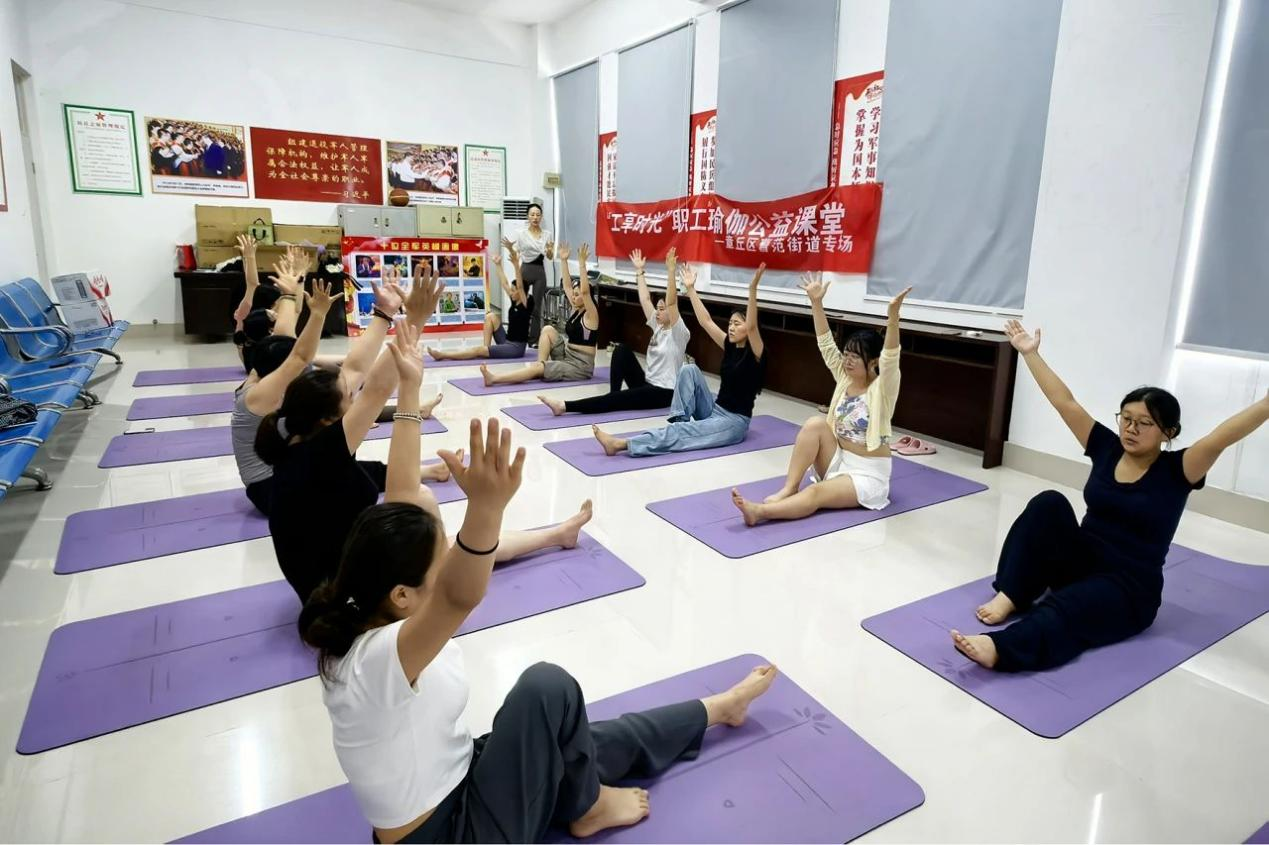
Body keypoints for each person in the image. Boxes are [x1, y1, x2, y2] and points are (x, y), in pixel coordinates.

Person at [298, 410, 780, 844]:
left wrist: (408, 390)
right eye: (440, 560)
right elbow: (458, 595)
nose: (451, 561)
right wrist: (487, 508)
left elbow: (403, 494)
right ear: (402, 594)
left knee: (581, 741)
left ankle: (717, 710)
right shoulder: (377, 661)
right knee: (547, 689)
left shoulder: (372, 612)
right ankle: (589, 807)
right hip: (451, 832)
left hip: (460, 778)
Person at [951, 320, 1269, 672]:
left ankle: (1002, 648)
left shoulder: (1179, 469)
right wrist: (1030, 354)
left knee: (1066, 609)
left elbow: (1223, 436)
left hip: (1128, 588)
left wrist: (1267, 404)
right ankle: (1012, 593)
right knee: (1049, 503)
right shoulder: (1106, 447)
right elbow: (1065, 402)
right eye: (1126, 418)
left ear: (1168, 432)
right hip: (1081, 563)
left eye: (1144, 423)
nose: (1131, 429)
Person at [231, 264, 444, 517]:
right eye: (349, 399)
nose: (352, 399)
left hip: (291, 477)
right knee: (388, 484)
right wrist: (416, 319)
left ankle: (429, 471)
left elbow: (354, 370)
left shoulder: (281, 381)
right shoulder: (257, 400)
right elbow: (373, 389)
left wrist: (384, 313)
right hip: (267, 489)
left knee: (364, 469)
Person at [731, 276, 910, 525]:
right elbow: (826, 344)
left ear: (872, 362)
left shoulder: (883, 389)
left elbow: (891, 358)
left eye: (854, 357)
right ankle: (790, 488)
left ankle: (759, 512)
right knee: (815, 424)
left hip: (867, 474)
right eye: (846, 354)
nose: (847, 361)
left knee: (815, 492)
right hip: (840, 459)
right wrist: (816, 303)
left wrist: (893, 319)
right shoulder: (845, 378)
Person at [592, 263, 768, 458]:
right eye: (730, 323)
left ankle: (621, 444)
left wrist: (752, 290)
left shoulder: (757, 354)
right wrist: (691, 288)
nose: (731, 327)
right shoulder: (730, 345)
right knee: (688, 369)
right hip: (714, 410)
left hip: (733, 422)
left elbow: (752, 327)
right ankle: (678, 422)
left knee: (684, 431)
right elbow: (706, 321)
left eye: (737, 324)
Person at [537, 248, 689, 418]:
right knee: (621, 350)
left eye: (662, 309)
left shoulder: (679, 332)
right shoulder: (658, 325)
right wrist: (639, 271)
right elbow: (645, 299)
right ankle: (613, 394)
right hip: (646, 383)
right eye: (658, 308)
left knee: (620, 399)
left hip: (663, 393)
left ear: (672, 313)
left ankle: (564, 406)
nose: (657, 312)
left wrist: (671, 271)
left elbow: (672, 302)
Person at [479, 243, 597, 387]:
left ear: (586, 298)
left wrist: (582, 264)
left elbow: (585, 292)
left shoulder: (591, 315)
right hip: (567, 354)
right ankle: (540, 367)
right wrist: (563, 260)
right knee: (547, 329)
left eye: (577, 295)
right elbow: (567, 286)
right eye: (574, 294)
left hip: (580, 365)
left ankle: (494, 379)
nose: (573, 296)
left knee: (538, 367)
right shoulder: (576, 307)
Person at [425, 249, 532, 362]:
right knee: (490, 316)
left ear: (521, 293)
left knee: (477, 350)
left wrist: (516, 265)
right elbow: (504, 282)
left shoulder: (527, 303)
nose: (511, 291)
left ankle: (442, 355)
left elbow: (520, 287)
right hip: (506, 340)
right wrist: (498, 265)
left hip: (515, 348)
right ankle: (486, 349)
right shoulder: (515, 299)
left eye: (514, 290)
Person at [506, 202, 554, 340]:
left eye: (538, 215)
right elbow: (515, 253)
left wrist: (549, 251)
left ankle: (534, 338)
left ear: (541, 217)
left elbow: (550, 256)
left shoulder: (547, 234)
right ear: (528, 216)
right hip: (525, 269)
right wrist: (510, 249)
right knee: (520, 302)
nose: (535, 217)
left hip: (539, 271)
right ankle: (518, 334)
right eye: (532, 214)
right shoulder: (521, 234)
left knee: (537, 306)